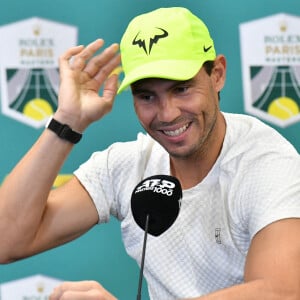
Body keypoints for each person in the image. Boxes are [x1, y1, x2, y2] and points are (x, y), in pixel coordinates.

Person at [0, 6, 299, 300]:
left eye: (181, 89)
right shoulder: (128, 163)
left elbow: (282, 291)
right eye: (147, 96)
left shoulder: (267, 163)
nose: (167, 114)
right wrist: (67, 122)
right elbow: (6, 241)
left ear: (217, 74)